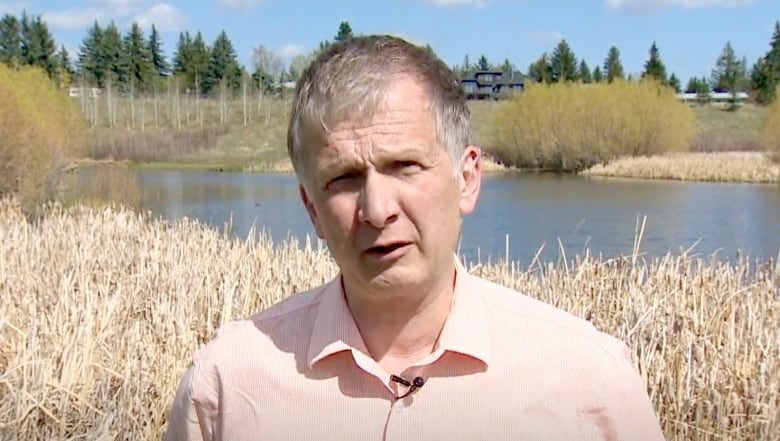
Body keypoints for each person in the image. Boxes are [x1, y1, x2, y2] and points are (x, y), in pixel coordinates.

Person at [164, 35, 666, 441]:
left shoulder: (587, 382)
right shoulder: (227, 385)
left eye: (404, 166)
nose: (378, 210)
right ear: (312, 208)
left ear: (467, 178)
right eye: (342, 179)